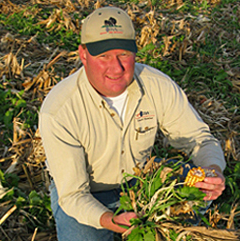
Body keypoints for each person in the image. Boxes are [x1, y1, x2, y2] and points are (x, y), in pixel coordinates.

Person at [39, 6, 226, 241]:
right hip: (89, 194)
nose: (116, 68)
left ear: (135, 52)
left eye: (123, 55)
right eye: (103, 56)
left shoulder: (157, 86)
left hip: (143, 186)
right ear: (83, 54)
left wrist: (213, 170)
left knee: (188, 209)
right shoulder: (60, 110)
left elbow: (199, 139)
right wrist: (110, 220)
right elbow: (73, 195)